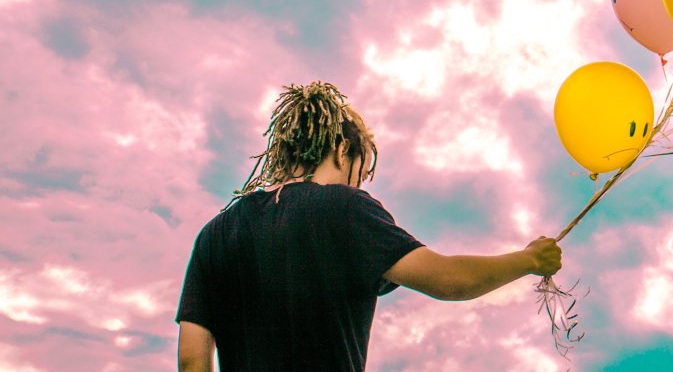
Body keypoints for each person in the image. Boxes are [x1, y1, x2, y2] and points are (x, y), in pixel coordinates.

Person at [175, 81, 562, 372]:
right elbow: (449, 280)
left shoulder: (215, 233)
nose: (358, 185)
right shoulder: (345, 209)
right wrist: (528, 259)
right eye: (360, 172)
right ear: (343, 150)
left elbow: (193, 360)